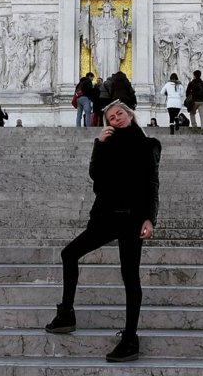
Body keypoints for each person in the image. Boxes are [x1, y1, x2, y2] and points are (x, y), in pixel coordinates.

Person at [45, 101, 161, 363]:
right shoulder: (107, 143)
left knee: (130, 277)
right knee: (69, 254)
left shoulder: (149, 145)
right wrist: (99, 144)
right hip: (106, 217)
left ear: (130, 115)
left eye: (120, 113)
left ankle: (130, 338)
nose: (116, 118)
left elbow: (152, 184)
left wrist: (150, 218)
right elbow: (95, 175)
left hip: (132, 219)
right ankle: (66, 314)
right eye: (111, 117)